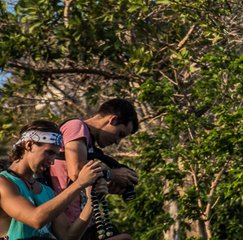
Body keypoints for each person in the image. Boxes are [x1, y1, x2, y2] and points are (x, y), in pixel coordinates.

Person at [49, 99, 139, 240]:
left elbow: (80, 179)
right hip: (67, 221)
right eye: (120, 134)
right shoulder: (76, 126)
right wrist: (111, 174)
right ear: (113, 120)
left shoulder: (90, 144)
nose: (117, 141)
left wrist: (108, 187)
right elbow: (76, 172)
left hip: (83, 221)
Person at [0, 120, 104, 240]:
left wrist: (92, 201)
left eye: (55, 154)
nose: (52, 161)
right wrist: (79, 183)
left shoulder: (47, 191)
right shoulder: (4, 182)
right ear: (28, 145)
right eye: (49, 152)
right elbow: (35, 219)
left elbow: (68, 236)